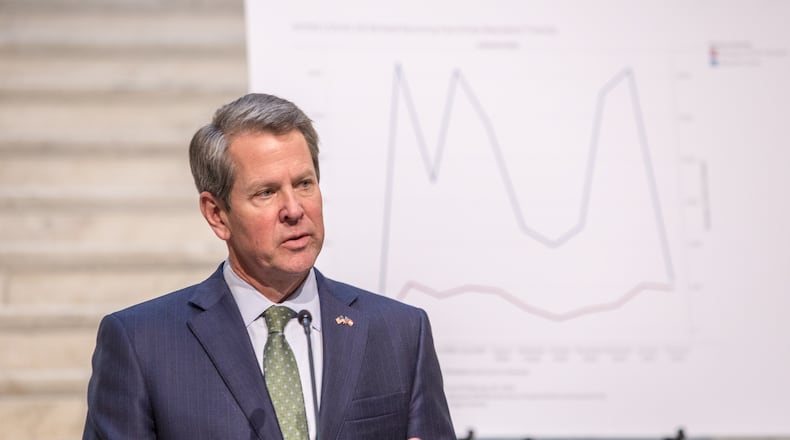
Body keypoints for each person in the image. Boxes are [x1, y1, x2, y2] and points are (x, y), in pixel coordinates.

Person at [82, 93, 456, 440]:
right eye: (266, 192)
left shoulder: (400, 333)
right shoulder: (142, 344)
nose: (294, 209)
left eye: (304, 184)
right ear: (217, 215)